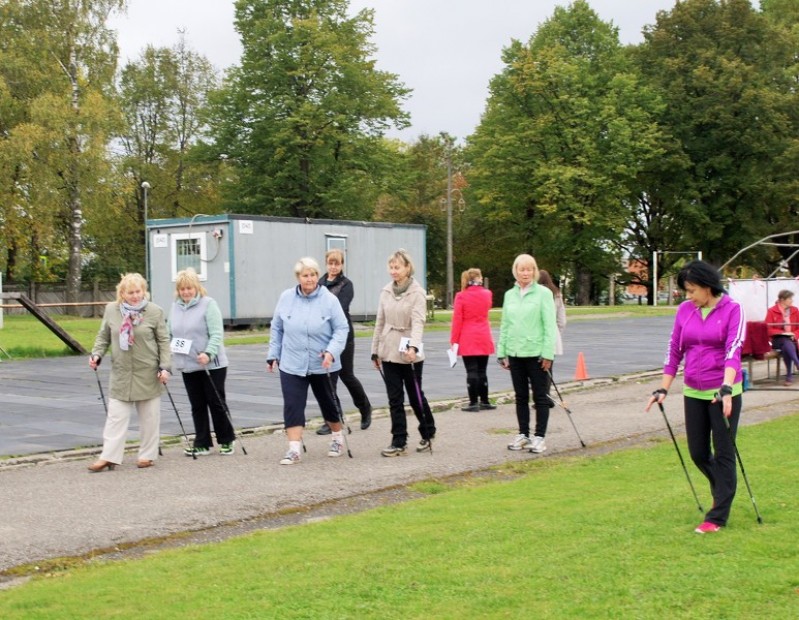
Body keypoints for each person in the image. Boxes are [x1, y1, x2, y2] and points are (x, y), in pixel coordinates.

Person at [645, 260, 745, 534]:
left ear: (707, 286)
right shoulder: (685, 311)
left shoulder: (733, 309)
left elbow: (733, 351)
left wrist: (725, 388)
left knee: (724, 453)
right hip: (693, 390)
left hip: (723, 391)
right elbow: (674, 351)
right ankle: (722, 488)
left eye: (691, 290)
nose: (688, 296)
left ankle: (717, 517)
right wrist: (663, 388)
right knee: (699, 453)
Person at [266, 257, 349, 465]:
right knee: (293, 405)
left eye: (313, 274)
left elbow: (342, 328)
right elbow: (276, 327)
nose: (310, 279)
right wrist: (273, 354)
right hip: (292, 362)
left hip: (322, 363)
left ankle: (337, 437)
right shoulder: (286, 298)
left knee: (328, 404)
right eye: (305, 275)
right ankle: (293, 449)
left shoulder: (329, 299)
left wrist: (331, 352)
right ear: (298, 277)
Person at [87, 273, 171, 472]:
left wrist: (165, 367)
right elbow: (103, 336)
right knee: (116, 416)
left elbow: (163, 342)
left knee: (149, 418)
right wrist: (96, 354)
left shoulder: (154, 312)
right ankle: (109, 456)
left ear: (144, 291)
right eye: (130, 292)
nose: (135, 296)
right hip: (122, 372)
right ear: (122, 293)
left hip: (147, 371)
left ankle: (147, 455)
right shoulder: (111, 310)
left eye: (138, 291)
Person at [371, 249, 436, 456]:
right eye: (391, 267)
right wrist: (375, 351)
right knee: (394, 398)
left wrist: (413, 347)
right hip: (389, 349)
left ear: (407, 268)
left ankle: (428, 431)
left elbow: (418, 322)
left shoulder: (417, 293)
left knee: (415, 396)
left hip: (409, 352)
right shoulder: (386, 291)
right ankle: (399, 440)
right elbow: (379, 322)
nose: (393, 271)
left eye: (397, 267)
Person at [168, 268, 236, 456]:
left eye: (189, 288)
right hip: (188, 364)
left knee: (216, 402)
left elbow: (216, 333)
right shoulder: (175, 307)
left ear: (196, 287)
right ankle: (202, 442)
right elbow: (169, 333)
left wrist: (209, 352)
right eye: (182, 289)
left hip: (211, 364)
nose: (186, 292)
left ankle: (226, 439)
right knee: (196, 404)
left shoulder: (208, 304)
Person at [497, 254, 556, 454]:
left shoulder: (543, 294)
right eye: (522, 269)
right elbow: (505, 325)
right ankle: (523, 433)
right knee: (520, 396)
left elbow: (550, 325)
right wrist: (502, 351)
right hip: (515, 352)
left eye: (529, 269)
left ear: (535, 271)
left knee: (540, 396)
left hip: (536, 352)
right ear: (515, 271)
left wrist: (548, 353)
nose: (525, 273)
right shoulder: (509, 295)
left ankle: (539, 437)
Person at [316, 248, 373, 434]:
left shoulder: (346, 284)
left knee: (346, 375)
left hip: (343, 337)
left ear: (341, 265)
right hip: (324, 337)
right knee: (327, 380)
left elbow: (340, 308)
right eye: (330, 263)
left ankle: (365, 407)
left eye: (337, 263)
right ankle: (333, 418)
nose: (333, 267)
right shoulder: (319, 283)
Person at [450, 267, 496, 412]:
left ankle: (473, 402)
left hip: (467, 336)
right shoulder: (487, 294)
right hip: (483, 334)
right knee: (483, 370)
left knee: (471, 370)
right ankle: (485, 400)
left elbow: (457, 320)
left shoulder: (461, 296)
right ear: (478, 278)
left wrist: (454, 341)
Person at [764, 289, 799, 386]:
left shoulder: (795, 310)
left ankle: (789, 376)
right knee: (785, 341)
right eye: (790, 298)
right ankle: (796, 363)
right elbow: (767, 328)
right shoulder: (772, 311)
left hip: (792, 339)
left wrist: (794, 334)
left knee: (786, 346)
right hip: (776, 339)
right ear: (782, 300)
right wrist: (783, 333)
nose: (792, 300)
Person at [538, 270, 566, 358]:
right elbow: (561, 320)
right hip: (552, 334)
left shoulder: (534, 292)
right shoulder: (556, 294)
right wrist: (557, 332)